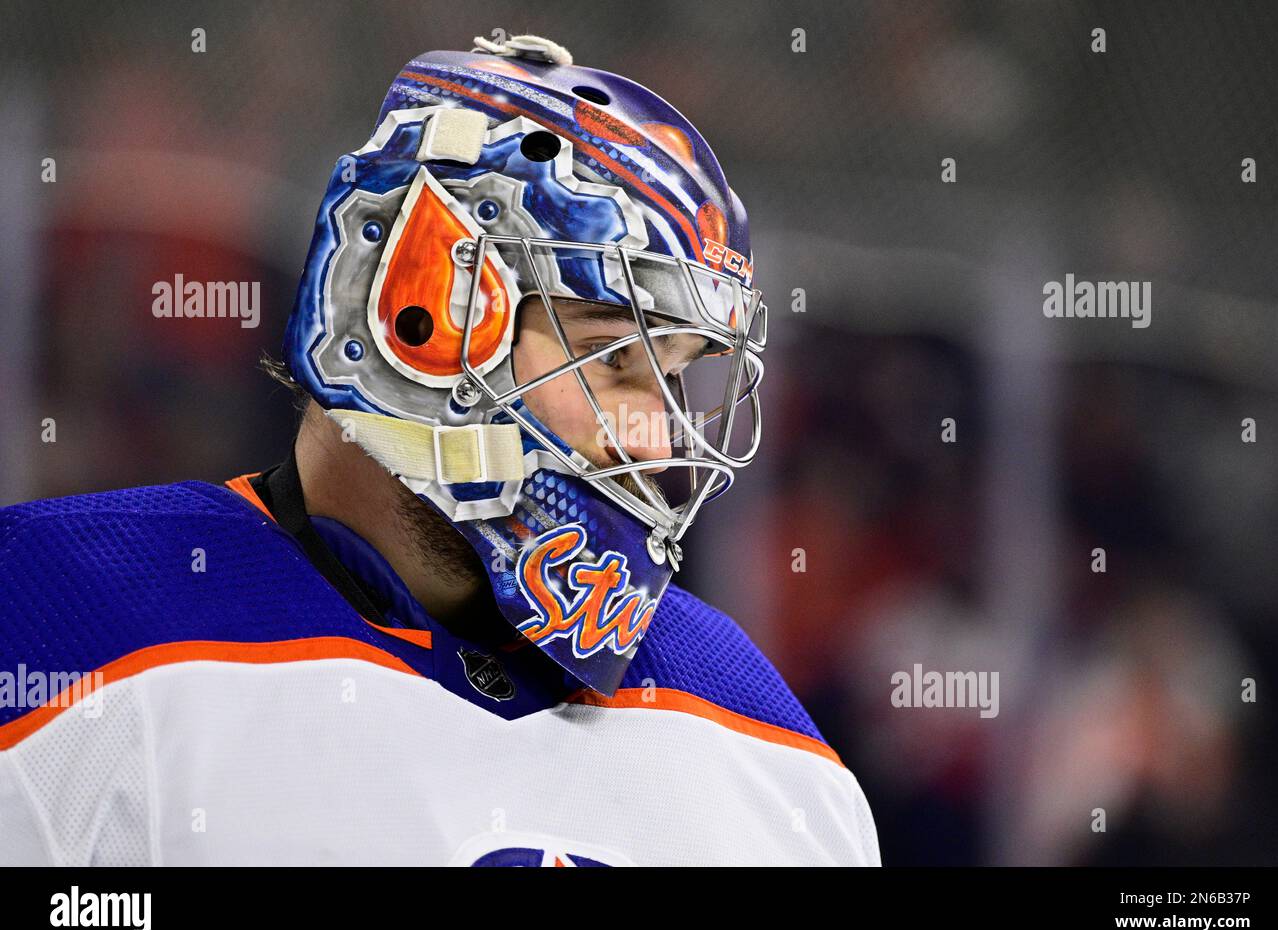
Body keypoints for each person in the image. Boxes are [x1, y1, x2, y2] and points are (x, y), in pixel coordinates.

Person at [0, 34, 880, 866]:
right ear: (412, 313)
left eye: (677, 374)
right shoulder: (58, 615)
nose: (655, 435)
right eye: (613, 356)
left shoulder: (769, 749)